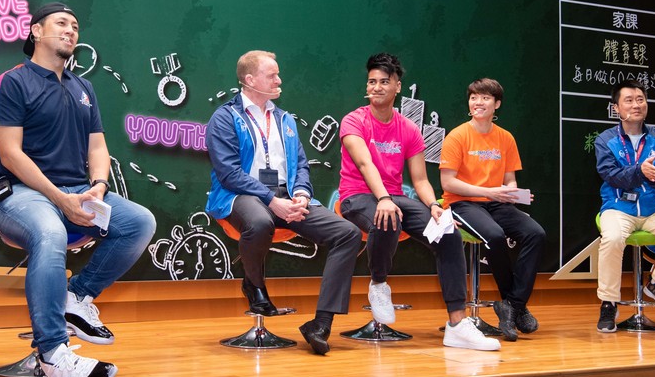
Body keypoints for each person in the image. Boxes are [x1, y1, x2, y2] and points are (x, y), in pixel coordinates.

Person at [0, 2, 156, 377]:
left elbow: (98, 147)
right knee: (50, 233)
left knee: (138, 222)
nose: (70, 30)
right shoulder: (12, 81)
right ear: (35, 31)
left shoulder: (83, 87)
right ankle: (54, 354)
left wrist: (98, 186)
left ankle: (76, 296)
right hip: (17, 194)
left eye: (75, 26)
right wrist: (59, 198)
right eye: (61, 23)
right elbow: (11, 153)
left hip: (76, 192)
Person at [338, 53, 501, 351]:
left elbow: (420, 180)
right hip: (357, 195)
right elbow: (364, 164)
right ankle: (378, 284)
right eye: (371, 82)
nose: (376, 87)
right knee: (388, 216)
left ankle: (456, 324)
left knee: (449, 233)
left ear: (398, 86)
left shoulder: (409, 129)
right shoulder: (354, 120)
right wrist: (385, 198)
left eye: (384, 82)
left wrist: (435, 207)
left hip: (395, 197)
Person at [205, 50, 362, 355]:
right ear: (250, 79)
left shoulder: (285, 118)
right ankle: (254, 285)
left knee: (348, 234)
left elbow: (301, 164)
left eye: (278, 74)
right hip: (242, 195)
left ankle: (321, 324)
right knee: (260, 221)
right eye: (272, 74)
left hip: (287, 196)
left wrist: (301, 193)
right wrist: (271, 200)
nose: (279, 80)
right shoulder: (225, 117)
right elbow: (228, 172)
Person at [439, 78, 546, 342]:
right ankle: (514, 306)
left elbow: (510, 179)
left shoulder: (505, 137)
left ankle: (512, 305)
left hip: (496, 202)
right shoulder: (458, 135)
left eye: (485, 98)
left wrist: (512, 193)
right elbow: (447, 182)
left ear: (496, 104)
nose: (478, 102)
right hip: (461, 202)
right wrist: (489, 191)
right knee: (495, 236)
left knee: (536, 234)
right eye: (474, 97)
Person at [594, 79, 655, 332]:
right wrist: (639, 171)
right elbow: (609, 173)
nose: (636, 105)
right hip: (617, 208)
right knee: (613, 238)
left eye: (640, 99)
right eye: (628, 100)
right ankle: (608, 302)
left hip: (654, 208)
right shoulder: (606, 140)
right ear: (616, 107)